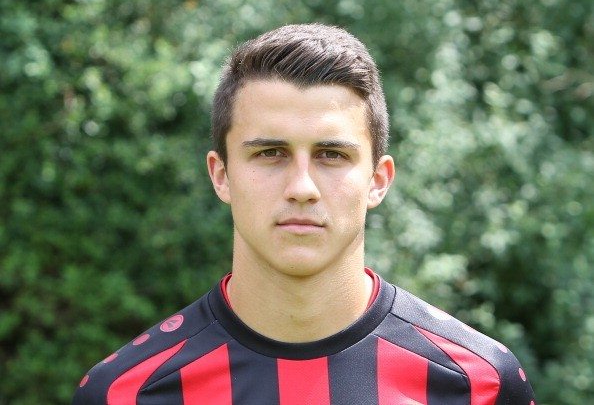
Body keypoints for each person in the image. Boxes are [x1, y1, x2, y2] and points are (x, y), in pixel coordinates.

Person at [73, 23, 536, 404]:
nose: (301, 188)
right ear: (221, 175)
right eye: (270, 153)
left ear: (378, 179)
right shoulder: (126, 393)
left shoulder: (479, 385)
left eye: (331, 155)